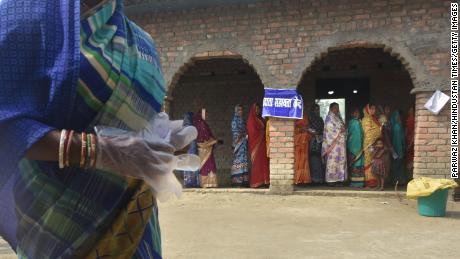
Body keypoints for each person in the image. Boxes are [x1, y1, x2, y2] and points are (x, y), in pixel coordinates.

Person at [0, 1, 198, 257]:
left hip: (133, 220)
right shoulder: (24, 14)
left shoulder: (140, 41)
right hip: (60, 224)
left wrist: (159, 138)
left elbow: (141, 116)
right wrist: (97, 150)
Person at [322, 103, 347, 185]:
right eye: (336, 108)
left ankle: (340, 179)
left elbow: (343, 127)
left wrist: (343, 128)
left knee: (340, 162)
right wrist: (340, 131)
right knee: (333, 162)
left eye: (338, 108)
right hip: (333, 145)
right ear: (331, 108)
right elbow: (329, 130)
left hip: (340, 144)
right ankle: (331, 180)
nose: (337, 109)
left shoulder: (338, 118)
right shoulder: (329, 118)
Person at [247, 103, 270, 188]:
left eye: (258, 109)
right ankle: (257, 182)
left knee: (264, 163)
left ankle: (265, 181)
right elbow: (252, 133)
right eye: (256, 109)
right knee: (257, 164)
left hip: (263, 144)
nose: (257, 111)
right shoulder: (251, 120)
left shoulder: (260, 119)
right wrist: (262, 133)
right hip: (256, 145)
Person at [194, 110, 219, 188]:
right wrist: (214, 141)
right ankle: (208, 183)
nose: (206, 115)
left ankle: (206, 183)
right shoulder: (201, 124)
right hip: (205, 148)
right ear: (200, 114)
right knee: (207, 165)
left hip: (205, 148)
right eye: (204, 114)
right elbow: (204, 137)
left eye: (206, 114)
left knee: (208, 165)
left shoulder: (201, 124)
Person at [362, 104, 382, 188]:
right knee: (369, 161)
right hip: (369, 144)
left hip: (375, 143)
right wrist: (379, 131)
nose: (374, 110)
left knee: (375, 160)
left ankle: (376, 181)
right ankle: (370, 182)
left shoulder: (374, 119)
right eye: (372, 109)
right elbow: (368, 132)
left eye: (374, 109)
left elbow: (378, 129)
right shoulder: (366, 119)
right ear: (368, 110)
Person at [231, 105, 249, 187]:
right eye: (239, 110)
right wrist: (242, 134)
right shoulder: (234, 121)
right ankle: (237, 181)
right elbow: (236, 133)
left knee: (243, 161)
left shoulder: (242, 120)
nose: (241, 112)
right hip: (238, 145)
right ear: (236, 111)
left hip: (243, 144)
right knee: (238, 161)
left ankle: (244, 181)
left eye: (242, 110)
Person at [347, 108, 365, 187]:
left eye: (358, 112)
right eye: (355, 112)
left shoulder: (353, 122)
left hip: (354, 146)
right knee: (356, 163)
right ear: (352, 114)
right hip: (356, 147)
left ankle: (356, 182)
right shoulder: (355, 123)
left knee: (355, 163)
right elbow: (355, 135)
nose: (357, 114)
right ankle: (357, 183)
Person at [308, 104, 325, 184]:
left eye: (318, 110)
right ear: (312, 110)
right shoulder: (310, 119)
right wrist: (313, 133)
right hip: (312, 141)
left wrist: (319, 134)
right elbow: (308, 128)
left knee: (319, 160)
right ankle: (314, 179)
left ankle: (320, 179)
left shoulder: (320, 119)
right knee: (313, 159)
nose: (317, 111)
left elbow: (323, 129)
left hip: (320, 140)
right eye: (316, 110)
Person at [183, 112, 200, 188]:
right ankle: (194, 182)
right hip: (192, 150)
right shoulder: (192, 127)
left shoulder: (183, 128)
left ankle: (188, 182)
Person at [294, 111, 312, 185]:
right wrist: (301, 130)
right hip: (298, 141)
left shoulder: (305, 115)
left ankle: (304, 179)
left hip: (304, 140)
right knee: (298, 159)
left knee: (305, 160)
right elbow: (292, 128)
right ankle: (298, 179)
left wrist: (307, 130)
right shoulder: (294, 115)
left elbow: (307, 127)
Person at [390, 110, 407, 185]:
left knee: (396, 165)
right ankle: (399, 181)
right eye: (397, 116)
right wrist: (402, 148)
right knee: (398, 165)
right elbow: (399, 140)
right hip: (398, 149)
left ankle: (396, 181)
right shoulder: (397, 127)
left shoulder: (394, 126)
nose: (398, 117)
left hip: (395, 149)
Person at [405, 106, 415, 180]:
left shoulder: (414, 119)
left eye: (411, 110)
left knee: (411, 158)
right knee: (408, 159)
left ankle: (411, 177)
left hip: (412, 140)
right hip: (408, 139)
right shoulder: (408, 119)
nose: (410, 111)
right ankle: (409, 178)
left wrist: (411, 143)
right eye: (409, 110)